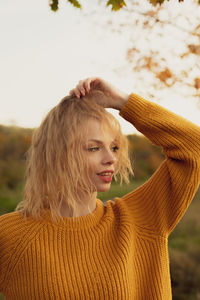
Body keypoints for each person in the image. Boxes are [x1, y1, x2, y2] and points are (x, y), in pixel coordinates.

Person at [0, 77, 200, 300]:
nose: (110, 159)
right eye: (94, 148)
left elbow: (195, 147)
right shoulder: (10, 236)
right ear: (59, 155)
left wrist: (122, 101)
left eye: (114, 147)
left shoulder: (141, 220)